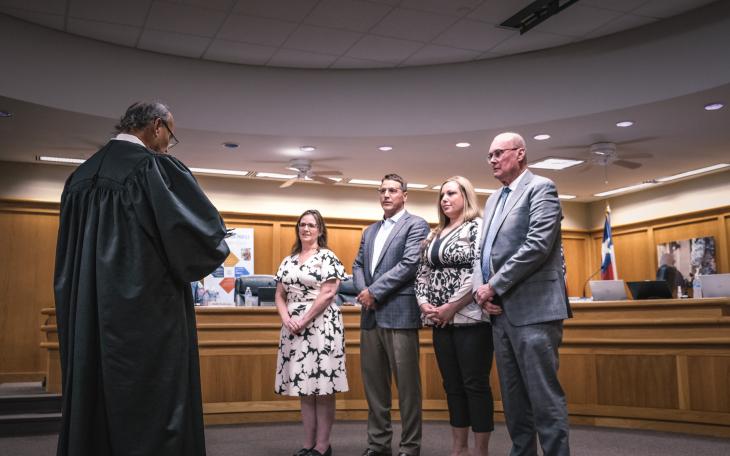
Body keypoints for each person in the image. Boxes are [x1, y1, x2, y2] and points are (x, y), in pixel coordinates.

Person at [53, 101, 230, 456]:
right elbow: (202, 240)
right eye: (170, 136)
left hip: (86, 316)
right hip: (145, 322)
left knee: (95, 401)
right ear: (157, 126)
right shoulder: (153, 169)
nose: (168, 145)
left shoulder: (79, 178)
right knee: (150, 408)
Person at [473, 132, 572, 456]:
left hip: (535, 313)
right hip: (500, 314)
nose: (492, 160)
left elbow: (537, 246)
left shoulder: (541, 188)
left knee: (544, 399)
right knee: (514, 403)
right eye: (489, 155)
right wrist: (480, 290)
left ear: (520, 154)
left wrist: (494, 285)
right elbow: (483, 252)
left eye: (498, 153)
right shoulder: (492, 199)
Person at [415, 176, 493, 456]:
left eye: (451, 193)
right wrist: (424, 303)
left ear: (466, 196)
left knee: (475, 385)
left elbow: (478, 271)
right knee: (452, 386)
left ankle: (479, 450)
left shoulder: (478, 228)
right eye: (441, 195)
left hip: (470, 318)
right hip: (439, 321)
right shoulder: (435, 233)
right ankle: (458, 448)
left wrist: (452, 306)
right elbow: (422, 272)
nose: (444, 199)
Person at [352, 173, 430, 456]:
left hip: (399, 314)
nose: (386, 195)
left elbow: (409, 264)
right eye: (382, 190)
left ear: (404, 195)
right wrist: (365, 293)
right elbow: (357, 265)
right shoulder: (369, 231)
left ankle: (409, 447)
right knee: (374, 387)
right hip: (371, 315)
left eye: (393, 190)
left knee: (408, 388)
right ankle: (378, 444)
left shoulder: (416, 225)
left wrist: (374, 292)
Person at [274, 209, 348, 456]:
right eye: (302, 225)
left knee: (322, 386)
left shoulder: (328, 258)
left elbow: (328, 294)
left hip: (321, 327)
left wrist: (302, 319)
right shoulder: (288, 260)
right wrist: (287, 319)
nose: (306, 229)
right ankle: (308, 444)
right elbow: (279, 294)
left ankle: (323, 445)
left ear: (320, 230)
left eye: (311, 225)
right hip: (293, 328)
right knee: (303, 385)